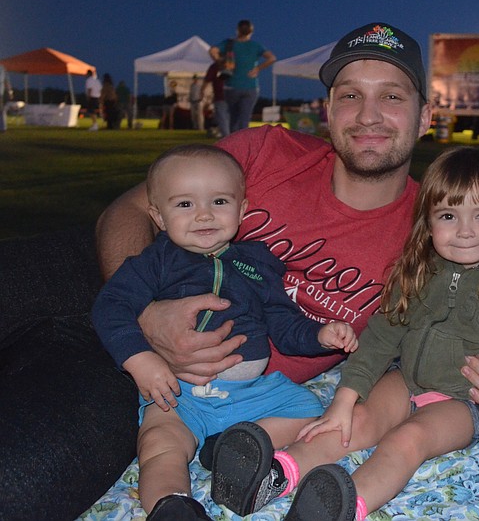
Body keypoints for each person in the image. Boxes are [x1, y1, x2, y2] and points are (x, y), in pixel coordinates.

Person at [96, 20, 479, 484]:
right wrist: (145, 316)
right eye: (349, 95)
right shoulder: (264, 152)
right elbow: (126, 211)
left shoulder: (440, 231)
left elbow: (478, 325)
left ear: (425, 117)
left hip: (262, 402)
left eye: (392, 96)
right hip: (131, 357)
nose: (367, 115)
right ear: (328, 110)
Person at [211, 146, 479, 519]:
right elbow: (379, 338)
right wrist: (343, 400)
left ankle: (341, 506)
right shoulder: (417, 271)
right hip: (406, 379)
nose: (465, 231)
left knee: (408, 439)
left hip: (466, 401)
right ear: (428, 221)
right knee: (355, 421)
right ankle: (270, 476)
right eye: (448, 215)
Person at [92, 144, 359, 520]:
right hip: (179, 395)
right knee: (159, 445)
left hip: (250, 395)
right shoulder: (156, 261)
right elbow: (110, 305)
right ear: (158, 216)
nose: (203, 215)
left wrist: (319, 335)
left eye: (219, 201)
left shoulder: (256, 263)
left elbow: (283, 324)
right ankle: (172, 505)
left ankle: (229, 448)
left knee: (309, 410)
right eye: (184, 205)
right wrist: (141, 359)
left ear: (243, 209)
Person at [209, 19, 276, 135]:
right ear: (251, 32)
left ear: (237, 30)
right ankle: (243, 145)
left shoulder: (229, 44)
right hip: (251, 87)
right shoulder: (256, 46)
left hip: (231, 87)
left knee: (233, 118)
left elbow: (212, 51)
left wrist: (220, 61)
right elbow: (272, 58)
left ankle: (233, 145)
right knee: (245, 119)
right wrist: (257, 69)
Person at [203, 61, 228, 138]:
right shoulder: (233, 63)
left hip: (222, 96)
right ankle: (228, 135)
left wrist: (201, 91)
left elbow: (207, 80)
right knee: (225, 117)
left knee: (222, 117)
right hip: (229, 95)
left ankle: (227, 136)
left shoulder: (215, 66)